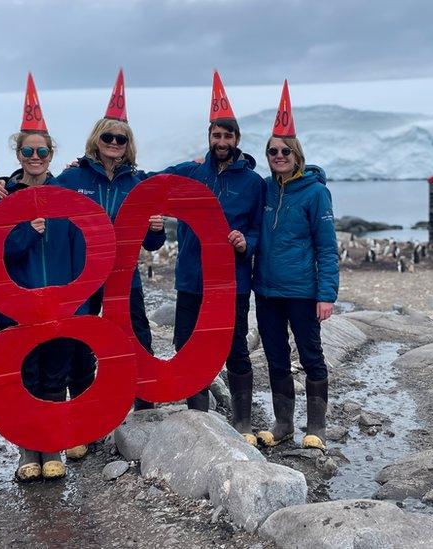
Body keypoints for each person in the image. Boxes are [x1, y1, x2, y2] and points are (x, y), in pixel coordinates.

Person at [0, 70, 165, 460]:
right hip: (81, 276)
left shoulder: (138, 182)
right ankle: (83, 423)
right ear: (96, 140)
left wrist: (156, 228)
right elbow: (34, 189)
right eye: (108, 137)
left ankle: (143, 417)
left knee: (137, 339)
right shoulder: (70, 177)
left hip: (123, 277)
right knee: (80, 344)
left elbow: (152, 242)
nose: (114, 144)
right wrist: (5, 185)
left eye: (121, 138)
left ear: (128, 143)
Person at [160, 71, 263, 445]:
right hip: (190, 277)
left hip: (230, 281)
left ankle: (242, 422)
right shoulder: (189, 174)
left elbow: (258, 230)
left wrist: (245, 242)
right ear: (209, 138)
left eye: (228, 136)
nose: (222, 142)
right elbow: (145, 183)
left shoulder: (253, 183)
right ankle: (199, 416)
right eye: (216, 136)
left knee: (234, 345)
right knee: (186, 345)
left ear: (237, 139)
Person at [0, 73, 84, 481]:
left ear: (51, 153)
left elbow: (83, 253)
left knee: (54, 373)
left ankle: (52, 447)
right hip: (17, 303)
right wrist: (26, 230)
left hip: (61, 302)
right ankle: (27, 450)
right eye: (28, 150)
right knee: (24, 374)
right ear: (18, 152)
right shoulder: (2, 198)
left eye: (42, 150)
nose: (35, 156)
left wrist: (78, 296)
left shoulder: (68, 196)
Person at [254, 81, 339, 450]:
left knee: (310, 356)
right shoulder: (265, 189)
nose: (278, 155)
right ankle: (283, 423)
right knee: (275, 357)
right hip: (268, 290)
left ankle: (316, 427)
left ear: (296, 153)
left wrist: (326, 294)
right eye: (272, 150)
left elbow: (327, 248)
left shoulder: (316, 192)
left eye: (285, 150)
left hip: (302, 291)